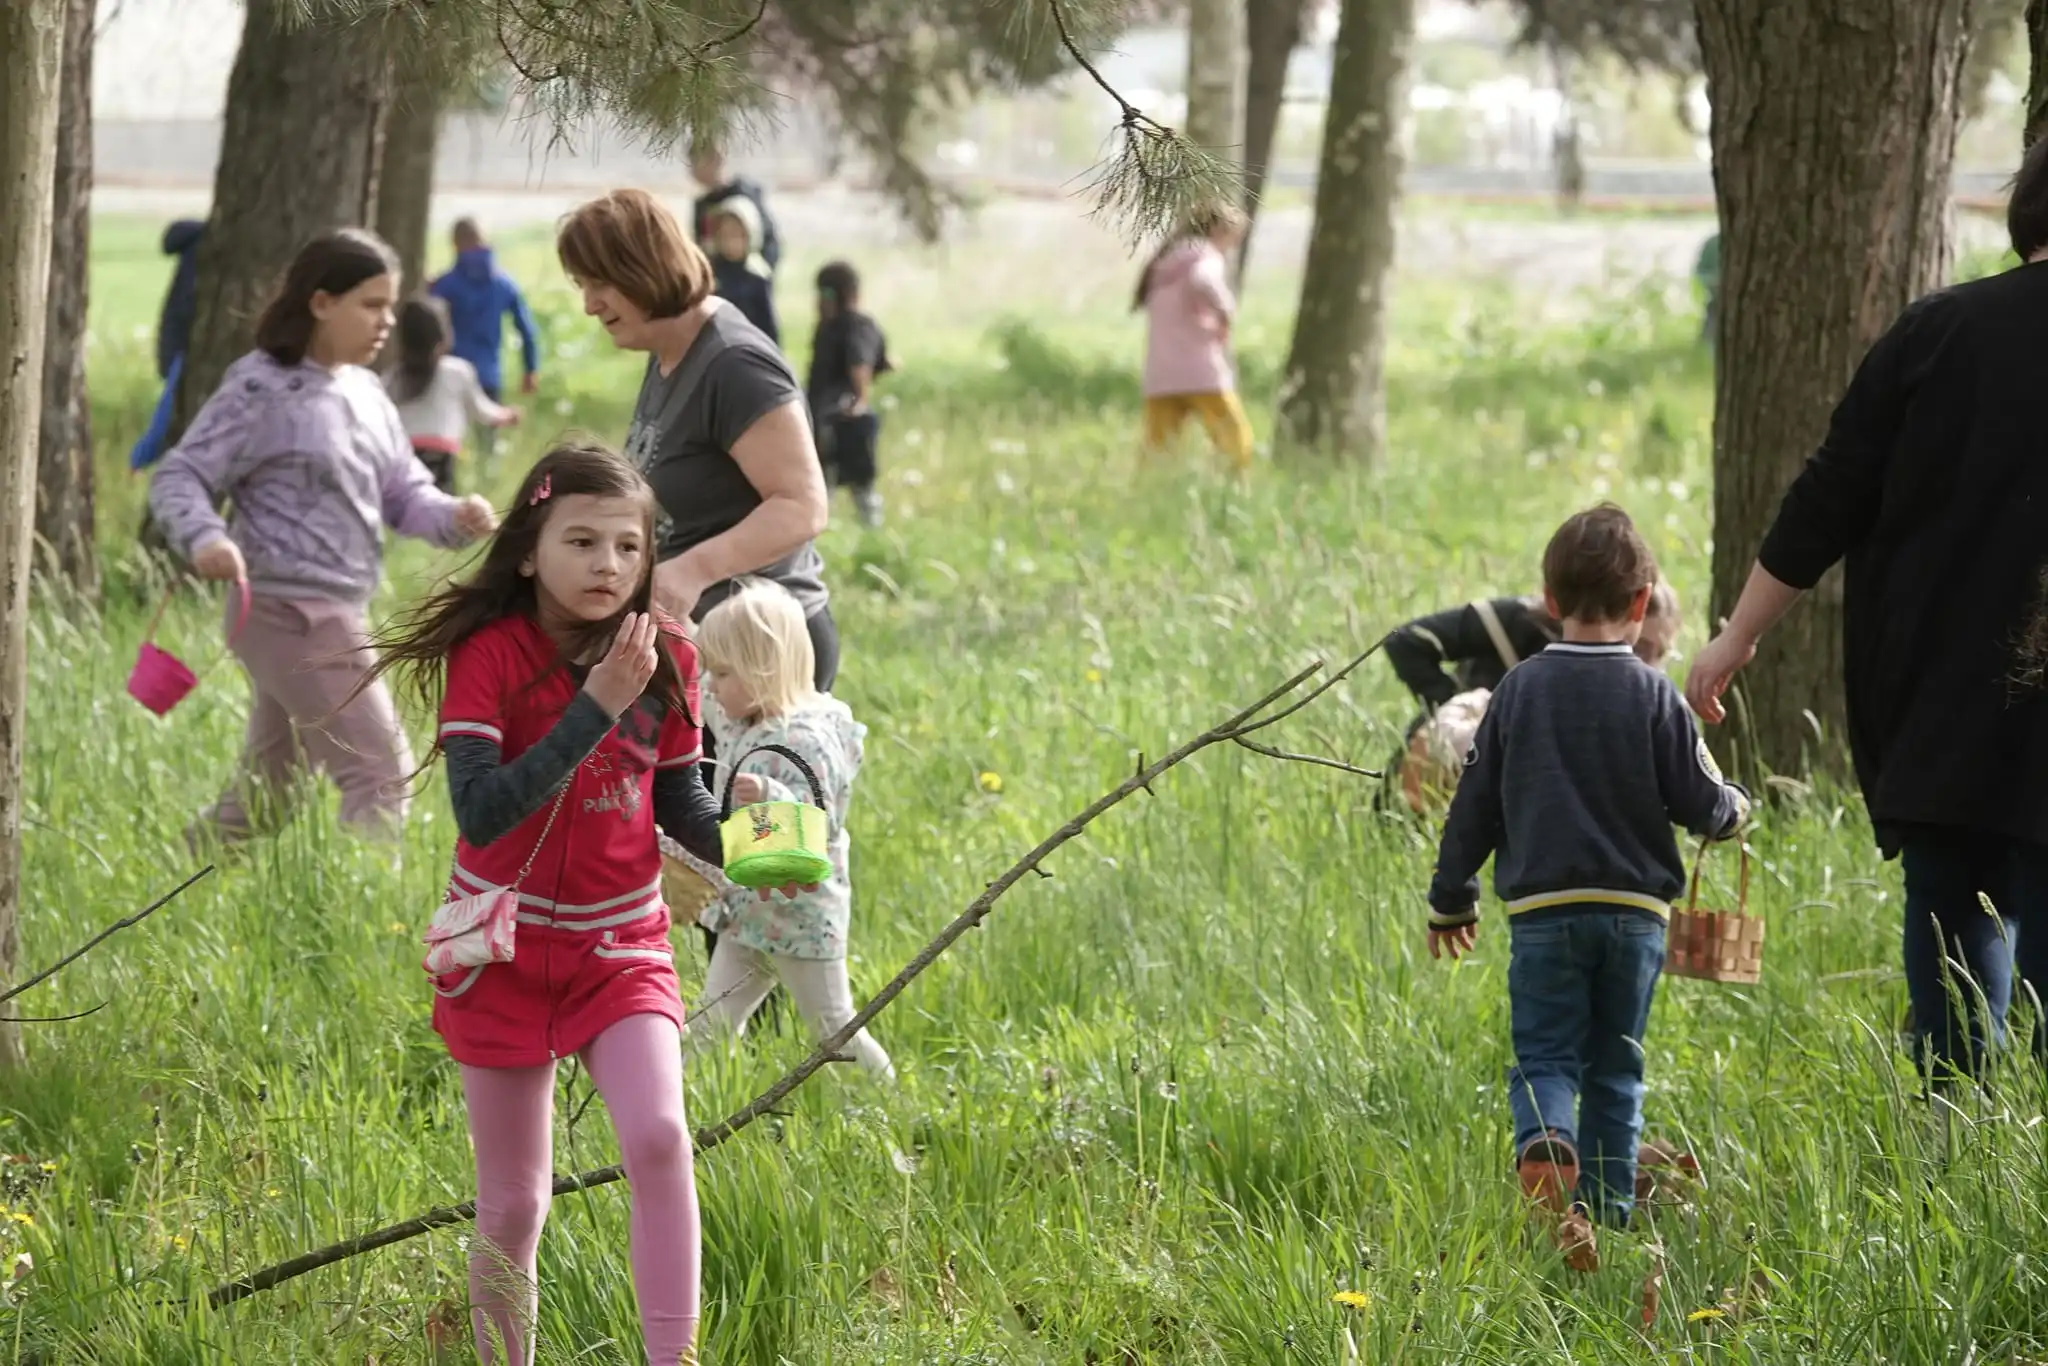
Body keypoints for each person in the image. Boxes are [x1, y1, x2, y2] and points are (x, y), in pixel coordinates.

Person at [356, 444, 740, 1366]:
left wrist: (752, 829)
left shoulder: (668, 651)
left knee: (658, 1138)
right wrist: (595, 708)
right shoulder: (489, 655)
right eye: (581, 542)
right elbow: (483, 814)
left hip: (622, 947)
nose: (607, 565)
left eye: (626, 546)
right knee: (516, 1200)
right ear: (530, 549)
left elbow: (680, 803)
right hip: (501, 949)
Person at [1685, 137, 2048, 1080]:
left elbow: (1827, 500)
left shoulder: (1935, 335)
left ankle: (1954, 1151)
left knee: (1954, 968)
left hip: (1942, 713)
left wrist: (1736, 638)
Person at [1428, 506, 1748, 1271]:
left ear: (1547, 598)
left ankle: (1545, 1145)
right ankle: (1604, 1214)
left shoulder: (1517, 693)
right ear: (1643, 604)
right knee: (1615, 1066)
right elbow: (1706, 803)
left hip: (1543, 916)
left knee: (1545, 1054)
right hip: (1637, 920)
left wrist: (1452, 899)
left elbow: (1472, 805)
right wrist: (1737, 807)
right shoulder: (1655, 696)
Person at [557, 187, 832, 984]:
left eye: (596, 282)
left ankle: (804, 1028)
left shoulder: (734, 363)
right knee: (716, 848)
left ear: (639, 268)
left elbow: (803, 504)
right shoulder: (671, 353)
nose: (587, 305)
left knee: (767, 852)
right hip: (705, 649)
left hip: (762, 652)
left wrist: (691, 569)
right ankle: (733, 1031)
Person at [148, 228, 497, 849]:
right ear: (320, 302)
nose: (386, 322)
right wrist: (204, 537)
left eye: (390, 306)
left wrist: (454, 516)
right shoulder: (259, 387)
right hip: (287, 611)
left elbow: (404, 494)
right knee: (381, 777)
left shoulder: (367, 391)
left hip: (339, 605)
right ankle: (371, 932)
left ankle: (170, 875)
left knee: (269, 792)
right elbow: (180, 474)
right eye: (370, 305)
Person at [688, 578, 894, 1078]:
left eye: (722, 671)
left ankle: (886, 1097)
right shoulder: (745, 718)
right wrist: (676, 626)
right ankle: (677, 1101)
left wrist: (771, 797)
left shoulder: (807, 738)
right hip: (749, 907)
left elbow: (819, 818)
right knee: (713, 1017)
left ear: (763, 671)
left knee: (832, 1022)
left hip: (801, 913)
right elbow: (704, 697)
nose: (711, 684)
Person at [1385, 582, 1680, 811]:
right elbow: (1408, 642)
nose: (1649, 667)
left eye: (1661, 654)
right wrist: (1457, 711)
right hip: (1423, 794)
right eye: (1639, 648)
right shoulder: (1518, 624)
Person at [1134, 201, 1254, 473]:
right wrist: (1226, 312)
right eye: (1233, 238)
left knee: (1157, 450)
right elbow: (1203, 280)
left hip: (1161, 375)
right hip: (1200, 372)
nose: (1232, 246)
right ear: (1219, 231)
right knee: (1235, 440)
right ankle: (1231, 492)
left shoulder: (1164, 265)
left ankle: (1149, 499)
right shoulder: (1203, 257)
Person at [385, 296, 521, 493]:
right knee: (444, 510)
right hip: (441, 453)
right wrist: (506, 415)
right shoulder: (457, 371)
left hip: (404, 454)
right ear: (443, 335)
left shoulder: (392, 378)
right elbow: (482, 411)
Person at [807, 260, 892, 529]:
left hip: (819, 415)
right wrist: (860, 400)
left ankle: (816, 535)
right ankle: (872, 535)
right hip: (847, 416)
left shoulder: (826, 327)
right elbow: (860, 364)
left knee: (820, 484)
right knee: (862, 486)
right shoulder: (861, 325)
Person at [430, 218, 543, 401]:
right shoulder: (504, 284)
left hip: (451, 374)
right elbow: (526, 330)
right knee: (487, 426)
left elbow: (427, 326)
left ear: (455, 244)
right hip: (489, 376)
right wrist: (530, 369)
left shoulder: (444, 285)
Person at [129, 219, 208, 473]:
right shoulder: (205, 246)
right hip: (182, 345)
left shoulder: (198, 243)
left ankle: (141, 458)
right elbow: (186, 310)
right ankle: (138, 460)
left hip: (175, 341)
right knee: (169, 408)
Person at [690, 141, 782, 275]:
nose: (693, 170)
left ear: (716, 160)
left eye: (697, 162)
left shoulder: (744, 192)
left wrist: (762, 273)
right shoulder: (702, 205)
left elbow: (767, 237)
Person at [705, 197, 779, 344]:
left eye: (737, 235)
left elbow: (768, 326)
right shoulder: (709, 272)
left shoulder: (757, 275)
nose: (731, 242)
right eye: (724, 235)